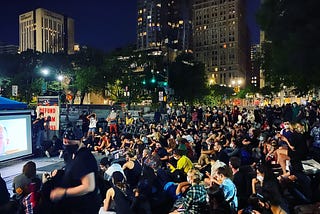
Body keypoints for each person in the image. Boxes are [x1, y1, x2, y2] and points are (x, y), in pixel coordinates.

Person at [49, 127, 100, 213]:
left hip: (84, 208)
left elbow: (89, 186)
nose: (66, 144)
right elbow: (74, 171)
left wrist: (64, 192)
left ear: (79, 140)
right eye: (64, 141)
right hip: (73, 206)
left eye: (69, 142)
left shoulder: (84, 157)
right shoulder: (72, 154)